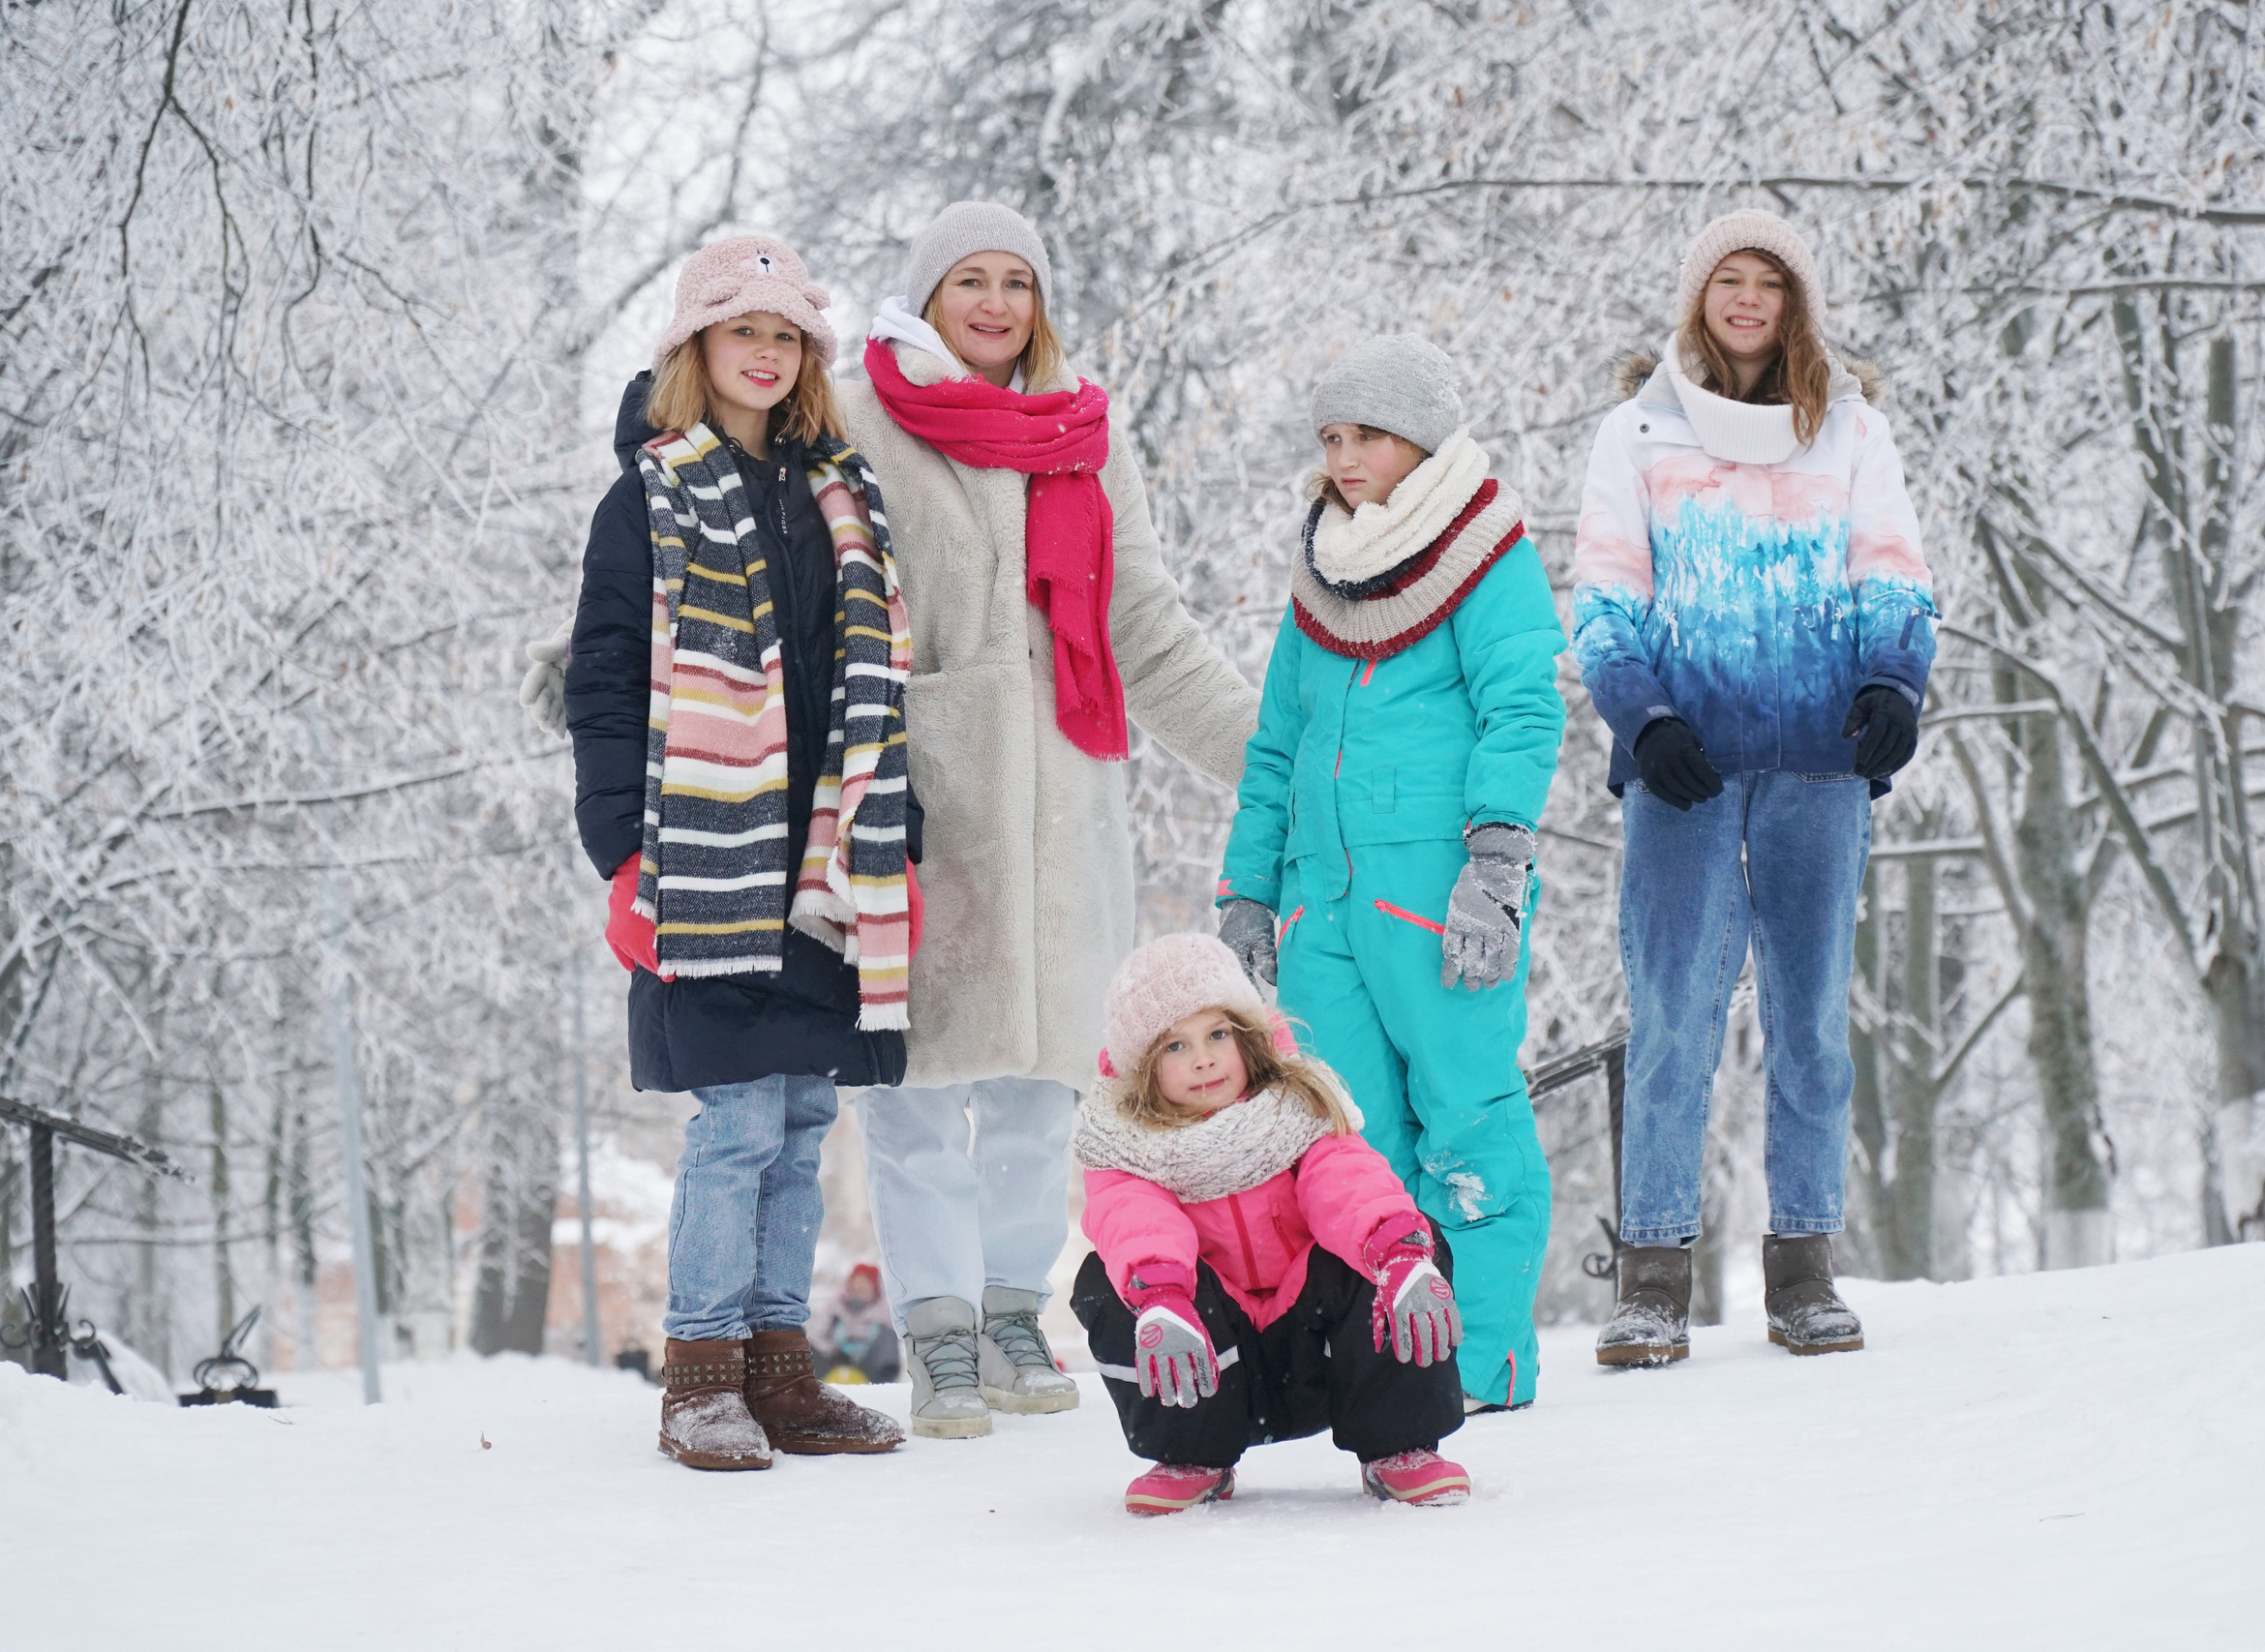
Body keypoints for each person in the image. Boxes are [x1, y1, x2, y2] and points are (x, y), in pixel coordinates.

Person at [839, 202, 1260, 1439]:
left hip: (1070, 803)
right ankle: (937, 1330)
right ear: (923, 301)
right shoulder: (860, 422)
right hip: (922, 797)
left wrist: (1279, 760)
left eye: (1013, 282)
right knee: (914, 1083)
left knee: (1040, 1090)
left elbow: (1149, 629)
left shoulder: (1084, 429)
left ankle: (1017, 1310)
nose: (992, 304)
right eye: (965, 281)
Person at [563, 235, 911, 1469]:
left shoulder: (844, 497)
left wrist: (895, 838)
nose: (763, 353)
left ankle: (782, 1372)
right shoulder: (647, 499)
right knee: (736, 1121)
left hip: (825, 852)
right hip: (706, 853)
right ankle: (700, 1375)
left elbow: (878, 685)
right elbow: (601, 682)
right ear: (693, 350)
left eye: (785, 336)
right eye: (739, 331)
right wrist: (619, 851)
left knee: (807, 1116)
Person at [1570, 208, 1937, 1366]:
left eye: (1765, 284)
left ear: (1793, 305)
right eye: (1724, 280)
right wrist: (1645, 713)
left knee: (1811, 1017)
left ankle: (1804, 1266)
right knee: (1674, 1014)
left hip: (1821, 756)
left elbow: (1892, 568)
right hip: (1683, 764)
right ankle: (1654, 1276)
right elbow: (1604, 597)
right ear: (1698, 298)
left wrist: (1892, 680)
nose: (1743, 300)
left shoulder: (1851, 431)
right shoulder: (1636, 432)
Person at [1214, 336, 1566, 1412]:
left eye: (1365, 434)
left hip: (1437, 892)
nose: (1345, 455)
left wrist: (1495, 864)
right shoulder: (1321, 576)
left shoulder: (1487, 555)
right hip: (1323, 902)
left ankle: (1486, 1361)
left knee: (1465, 1118)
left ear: (1421, 440)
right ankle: (1388, 1374)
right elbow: (1276, 744)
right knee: (1347, 1142)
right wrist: (1247, 894)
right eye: (1330, 437)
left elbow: (1522, 706)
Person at [1069, 933, 1472, 1514]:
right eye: (1175, 1047)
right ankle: (1191, 1453)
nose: (1203, 1058)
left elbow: (1344, 1180)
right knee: (1113, 1282)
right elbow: (1135, 1219)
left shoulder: (1296, 1106)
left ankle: (1399, 1443)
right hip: (1213, 1356)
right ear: (1142, 1068)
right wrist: (1161, 1296)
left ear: (1247, 1036)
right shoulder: (1124, 1143)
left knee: (1404, 1242)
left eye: (1217, 1035)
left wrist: (1397, 1252)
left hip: (1322, 1349)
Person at [814, 1263, 903, 1385]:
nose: (860, 1286)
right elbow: (817, 1335)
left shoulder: (884, 1311)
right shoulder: (833, 1307)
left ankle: (884, 1383)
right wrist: (833, 1352)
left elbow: (889, 1345)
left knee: (889, 1336)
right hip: (833, 1361)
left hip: (868, 1365)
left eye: (865, 1282)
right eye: (857, 1281)